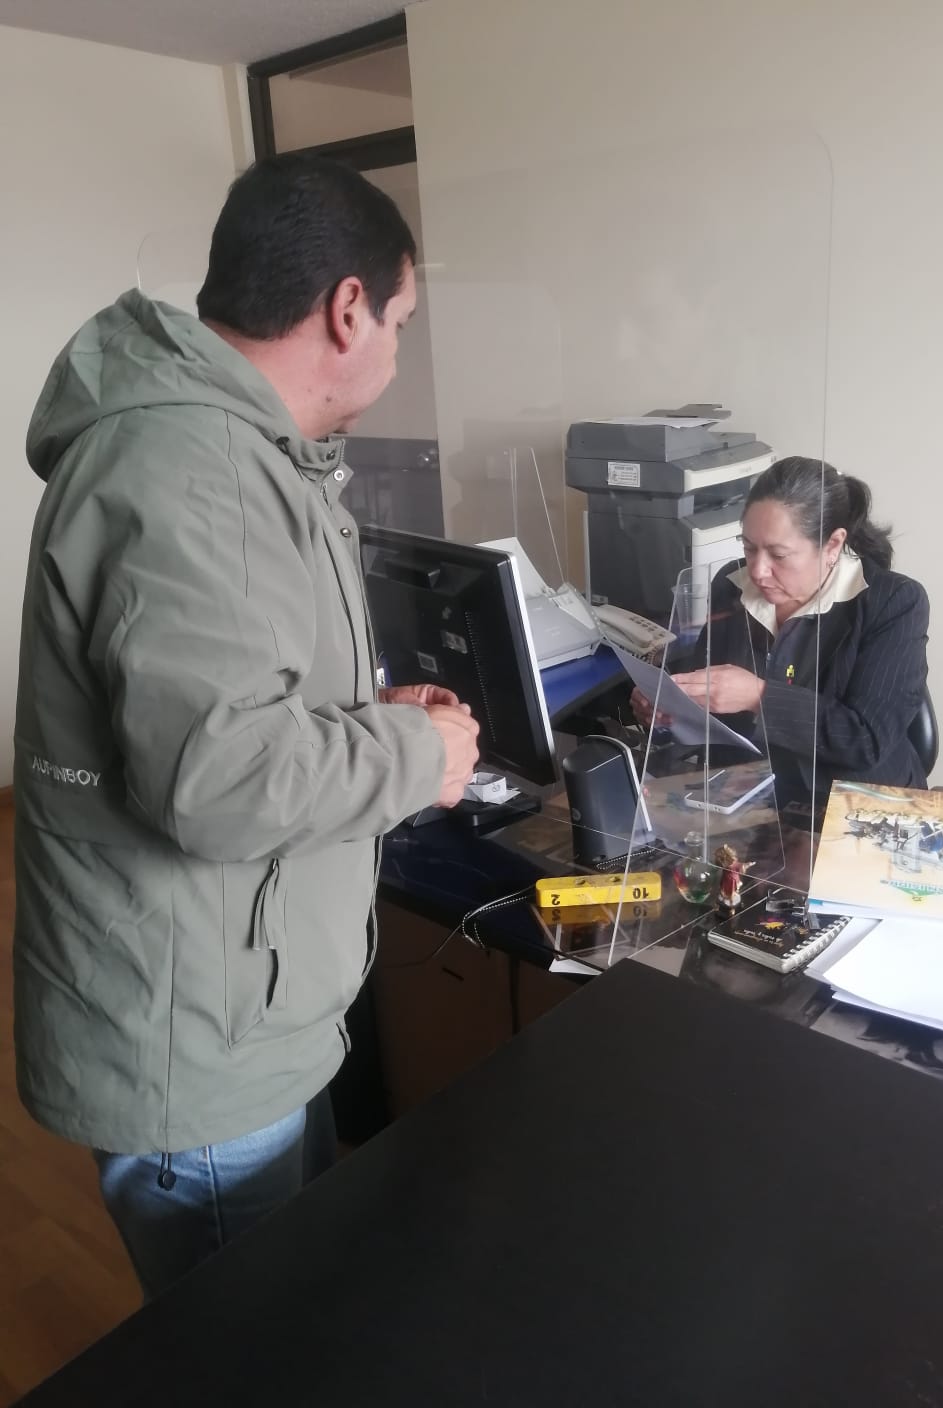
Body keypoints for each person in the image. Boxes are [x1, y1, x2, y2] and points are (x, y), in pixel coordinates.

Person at [13, 153, 481, 1298]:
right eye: (402, 322)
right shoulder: (197, 467)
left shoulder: (241, 453)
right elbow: (219, 780)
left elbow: (225, 697)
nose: (397, 350)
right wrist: (416, 754)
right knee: (259, 1348)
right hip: (195, 1042)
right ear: (349, 308)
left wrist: (362, 719)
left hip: (233, 1005)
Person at [633, 456, 929, 806]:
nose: (758, 571)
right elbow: (706, 689)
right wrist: (668, 706)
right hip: (749, 797)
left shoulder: (894, 602)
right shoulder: (731, 584)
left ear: (833, 545)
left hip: (855, 804)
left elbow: (866, 740)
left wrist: (759, 696)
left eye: (779, 555)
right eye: (749, 547)